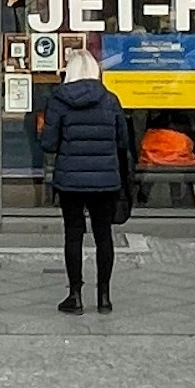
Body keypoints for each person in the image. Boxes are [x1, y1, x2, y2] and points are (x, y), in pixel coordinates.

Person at [40, 49, 130, 315]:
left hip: (70, 180)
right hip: (105, 179)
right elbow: (123, 141)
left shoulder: (59, 100)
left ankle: (75, 296)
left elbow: (48, 144)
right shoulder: (111, 100)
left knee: (73, 236)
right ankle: (104, 297)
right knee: (104, 237)